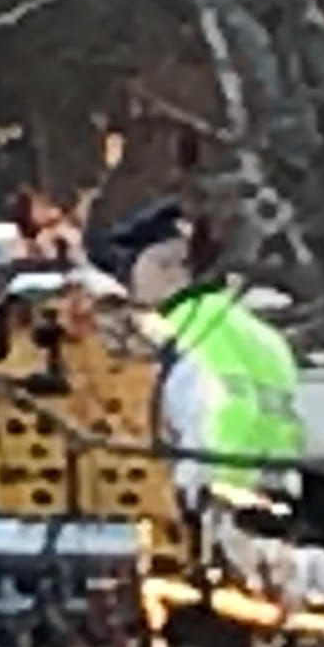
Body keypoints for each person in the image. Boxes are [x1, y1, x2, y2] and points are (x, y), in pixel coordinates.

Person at [97, 200, 303, 513]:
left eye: (128, 269)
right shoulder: (260, 333)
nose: (126, 285)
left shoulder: (179, 331)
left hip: (216, 502)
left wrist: (194, 491)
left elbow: (211, 410)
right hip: (274, 500)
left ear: (162, 265)